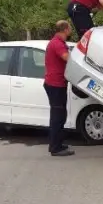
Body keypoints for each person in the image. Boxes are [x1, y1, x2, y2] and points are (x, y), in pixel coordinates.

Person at [44, 20, 74, 156]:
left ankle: (57, 144)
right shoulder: (57, 43)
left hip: (58, 83)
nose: (71, 30)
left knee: (60, 115)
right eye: (70, 27)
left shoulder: (58, 42)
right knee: (58, 117)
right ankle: (56, 147)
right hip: (55, 84)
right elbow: (68, 58)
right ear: (66, 29)